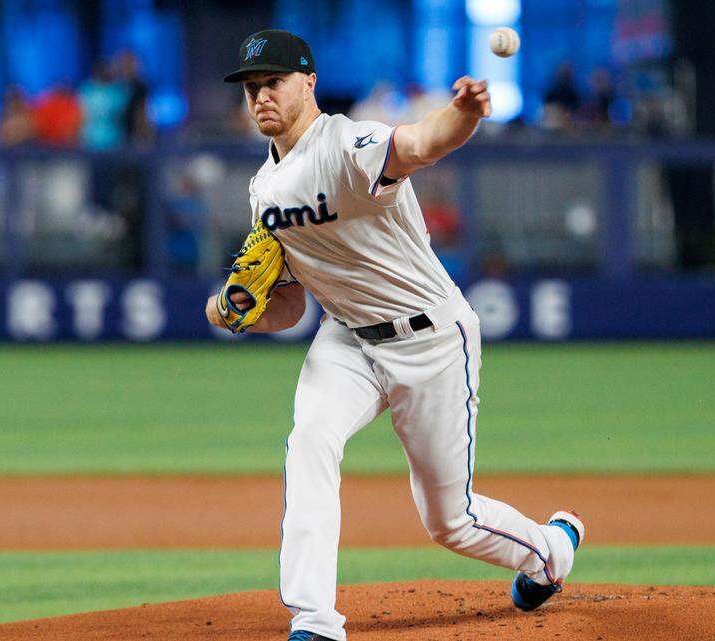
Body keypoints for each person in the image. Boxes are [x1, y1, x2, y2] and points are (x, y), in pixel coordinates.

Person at [204, 30, 584, 641]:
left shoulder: (348, 144)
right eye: (251, 88)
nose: (260, 97)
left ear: (309, 83)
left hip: (431, 339)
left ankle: (549, 552)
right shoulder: (264, 191)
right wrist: (229, 311)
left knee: (449, 521)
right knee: (310, 442)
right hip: (346, 342)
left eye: (273, 82)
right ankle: (314, 619)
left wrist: (462, 114)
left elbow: (418, 143)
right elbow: (290, 308)